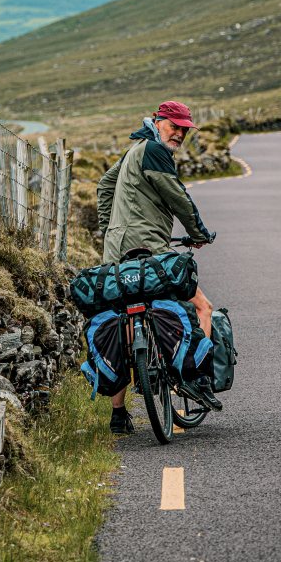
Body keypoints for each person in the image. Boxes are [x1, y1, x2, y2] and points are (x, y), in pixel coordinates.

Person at [96, 100, 219, 434]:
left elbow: (106, 186)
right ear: (159, 121)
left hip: (117, 252)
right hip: (151, 252)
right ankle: (197, 378)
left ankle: (118, 414)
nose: (179, 134)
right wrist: (198, 233)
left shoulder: (134, 149)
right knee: (202, 306)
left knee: (123, 321)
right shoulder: (154, 150)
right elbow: (177, 196)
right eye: (174, 126)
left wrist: (111, 230)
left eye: (183, 129)